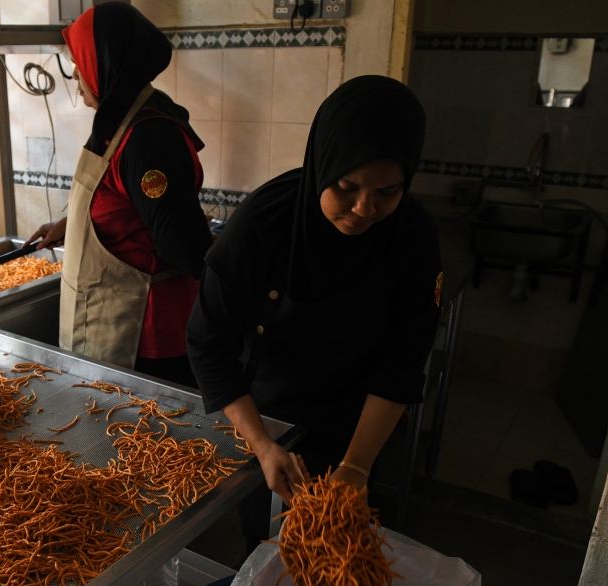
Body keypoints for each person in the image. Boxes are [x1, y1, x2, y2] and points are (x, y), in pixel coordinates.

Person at [185, 76, 442, 550]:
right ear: (324, 163)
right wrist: (262, 444)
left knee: (337, 550)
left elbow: (402, 364)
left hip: (357, 420)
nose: (364, 208)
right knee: (264, 546)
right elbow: (208, 342)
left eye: (388, 191)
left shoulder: (413, 238)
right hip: (265, 414)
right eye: (347, 186)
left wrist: (356, 466)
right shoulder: (264, 222)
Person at [25, 2, 213, 388]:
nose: (75, 75)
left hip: (147, 336)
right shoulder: (119, 121)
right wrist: (72, 225)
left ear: (106, 62)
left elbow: (181, 244)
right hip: (111, 322)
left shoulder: (149, 137)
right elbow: (125, 205)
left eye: (79, 62)